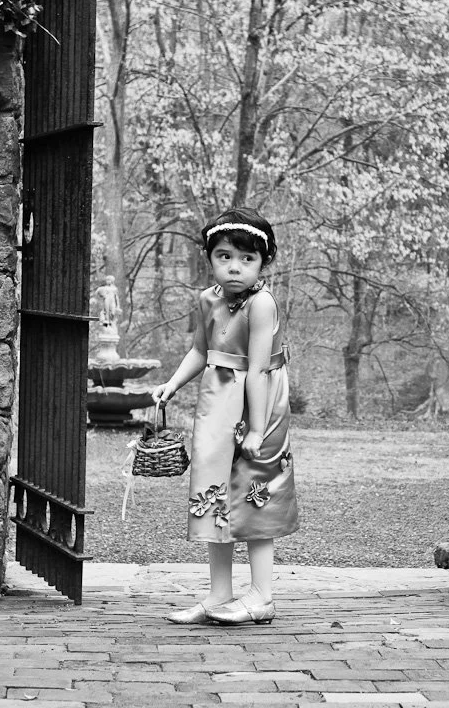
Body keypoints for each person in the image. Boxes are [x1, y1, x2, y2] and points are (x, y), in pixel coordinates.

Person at [151, 207, 298, 626]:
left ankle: (262, 596)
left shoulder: (262, 304)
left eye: (247, 259)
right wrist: (173, 384)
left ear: (263, 262)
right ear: (209, 258)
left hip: (259, 401)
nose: (235, 267)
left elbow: (257, 369)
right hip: (217, 403)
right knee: (214, 495)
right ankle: (219, 594)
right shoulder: (208, 300)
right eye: (224, 257)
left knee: (255, 493)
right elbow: (201, 350)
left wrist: (256, 428)